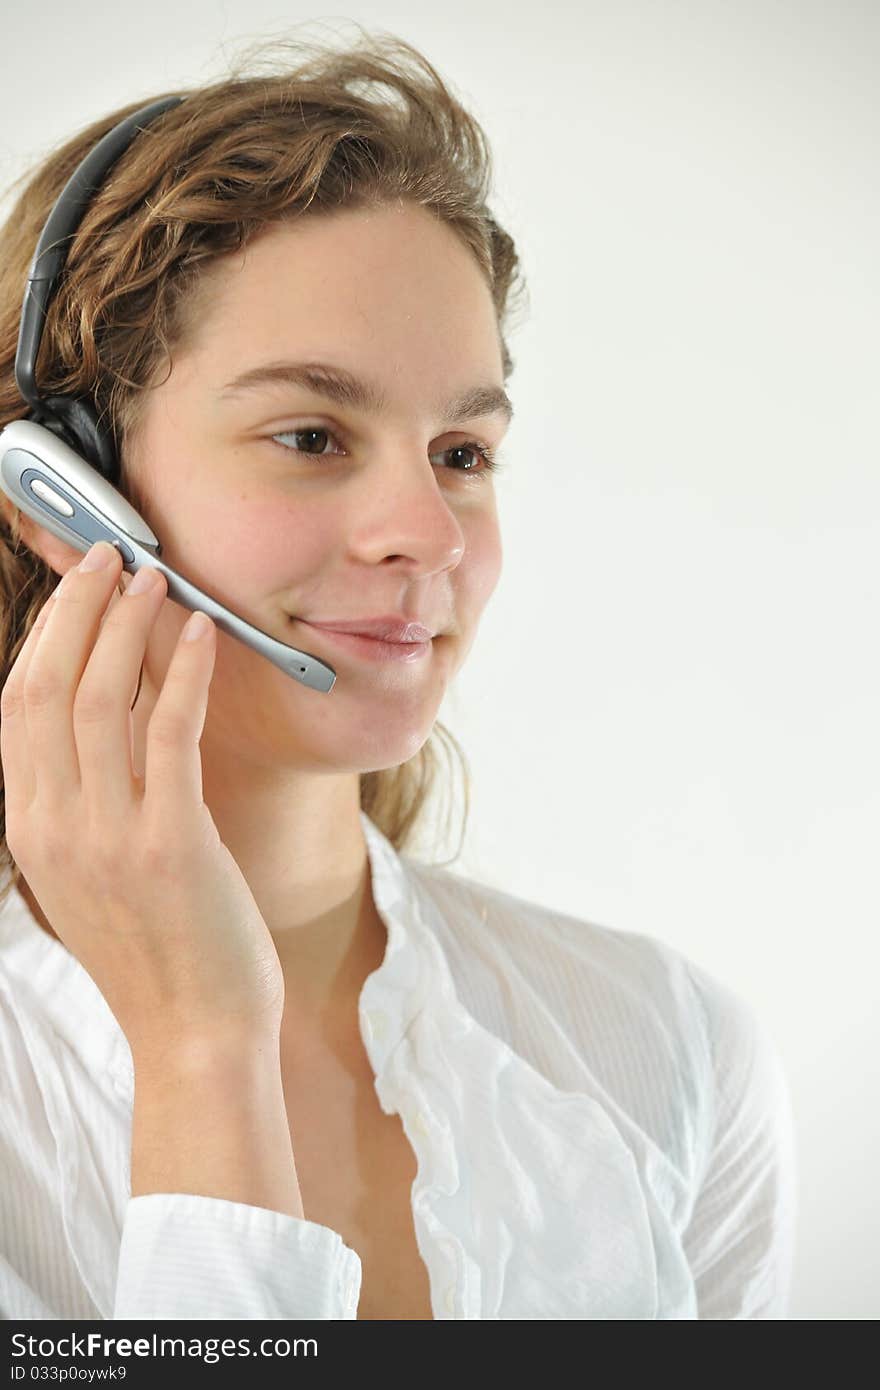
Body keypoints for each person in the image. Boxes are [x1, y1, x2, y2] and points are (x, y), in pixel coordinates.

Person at [0, 28, 797, 1321]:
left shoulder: (662, 1045)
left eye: (462, 452)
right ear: (66, 498)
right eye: (311, 435)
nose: (427, 533)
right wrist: (204, 1051)